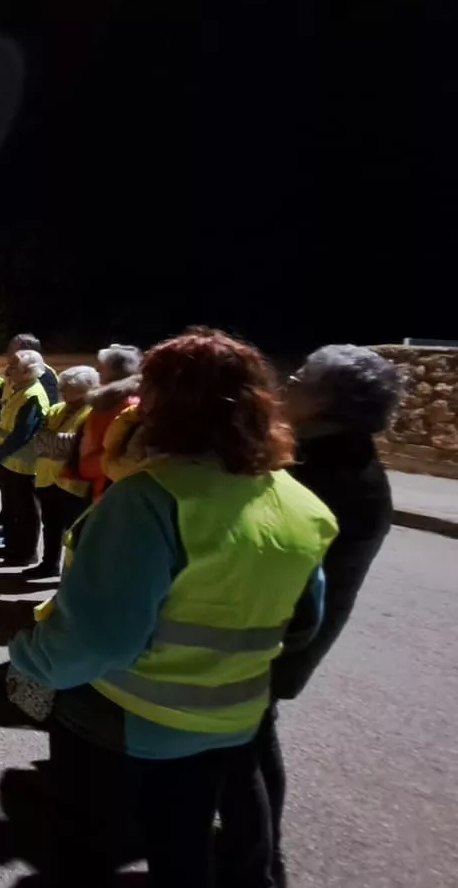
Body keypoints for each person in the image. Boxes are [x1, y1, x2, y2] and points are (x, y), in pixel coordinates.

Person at [7, 328, 337, 887]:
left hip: (124, 726)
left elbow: (98, 642)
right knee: (181, 854)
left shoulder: (151, 499)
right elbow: (304, 625)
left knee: (82, 852)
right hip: (228, 727)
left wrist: (26, 659)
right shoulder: (302, 505)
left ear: (167, 404)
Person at [218, 344, 401, 887]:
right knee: (248, 741)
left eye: (301, 378)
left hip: (277, 639)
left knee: (243, 749)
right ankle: (250, 850)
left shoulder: (334, 473)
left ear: (330, 402)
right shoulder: (326, 455)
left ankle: (258, 867)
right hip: (278, 635)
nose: (287, 382)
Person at [30, 366, 99, 578]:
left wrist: (53, 441)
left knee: (74, 532)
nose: (62, 392)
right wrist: (59, 442)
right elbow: (38, 439)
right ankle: (48, 564)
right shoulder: (56, 409)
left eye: (68, 389)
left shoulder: (92, 413)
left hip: (72, 483)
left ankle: (73, 575)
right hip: (46, 478)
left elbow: (76, 445)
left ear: (84, 391)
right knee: (50, 526)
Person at [0, 349, 51, 566]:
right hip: (10, 461)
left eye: (13, 367)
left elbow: (22, 434)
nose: (7, 370)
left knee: (26, 512)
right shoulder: (19, 389)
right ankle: (12, 547)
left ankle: (26, 553)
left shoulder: (33, 395)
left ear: (27, 371)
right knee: (12, 509)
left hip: (24, 464)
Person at [73, 344, 142, 500]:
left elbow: (94, 459)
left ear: (115, 371)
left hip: (110, 489)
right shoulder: (142, 400)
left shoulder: (114, 406)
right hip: (113, 485)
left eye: (101, 367)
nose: (96, 370)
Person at [8, 333, 59, 405]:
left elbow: (49, 402)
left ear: (26, 350)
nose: (9, 352)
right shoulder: (13, 368)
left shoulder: (44, 373)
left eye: (12, 348)